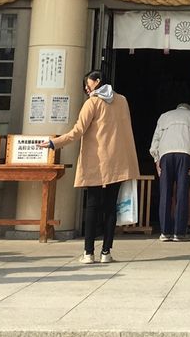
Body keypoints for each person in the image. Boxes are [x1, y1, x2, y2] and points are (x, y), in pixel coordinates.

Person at [49, 69, 140, 264]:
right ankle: (106, 252)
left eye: (87, 83)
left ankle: (88, 253)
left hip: (97, 161)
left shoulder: (92, 102)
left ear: (97, 81)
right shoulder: (122, 100)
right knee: (111, 207)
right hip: (118, 161)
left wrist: (54, 143)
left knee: (92, 205)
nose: (86, 87)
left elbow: (77, 131)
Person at [149, 99, 190, 242]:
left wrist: (157, 161)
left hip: (165, 155)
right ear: (189, 109)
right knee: (182, 193)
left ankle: (165, 232)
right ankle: (179, 233)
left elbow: (155, 140)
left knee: (165, 193)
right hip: (185, 155)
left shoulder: (164, 116)